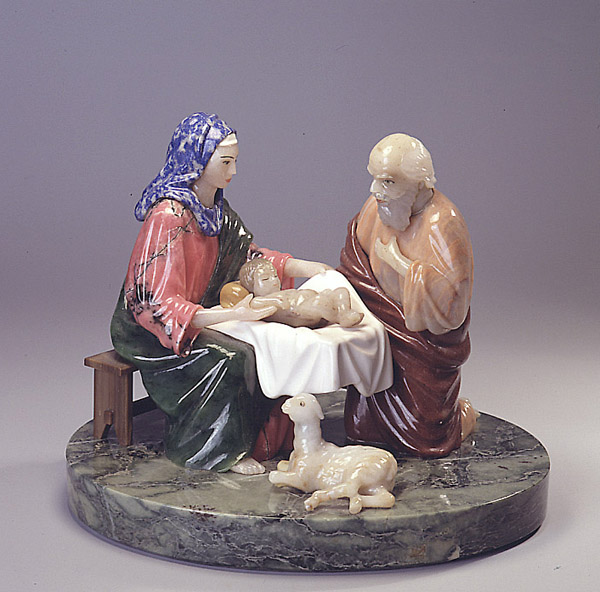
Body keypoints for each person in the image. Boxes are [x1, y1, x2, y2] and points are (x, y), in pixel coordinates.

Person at [111, 112, 328, 474]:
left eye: (235, 161)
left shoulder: (217, 213)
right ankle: (217, 450)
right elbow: (154, 303)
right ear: (196, 160)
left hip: (202, 313)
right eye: (226, 162)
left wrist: (304, 267)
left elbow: (248, 257)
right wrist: (233, 315)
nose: (234, 171)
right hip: (154, 331)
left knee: (269, 345)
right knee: (233, 358)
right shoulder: (169, 217)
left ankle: (263, 439)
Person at [338, 133, 477, 457]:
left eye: (388, 182)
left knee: (427, 437)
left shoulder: (443, 223)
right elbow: (353, 261)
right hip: (376, 333)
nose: (375, 190)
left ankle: (463, 416)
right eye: (374, 178)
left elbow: (453, 300)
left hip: (420, 344)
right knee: (359, 428)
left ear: (419, 185)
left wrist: (399, 263)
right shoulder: (377, 207)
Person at [223, 258, 363, 328]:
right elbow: (253, 303)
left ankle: (344, 312)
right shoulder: (259, 301)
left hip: (311, 302)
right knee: (320, 303)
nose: (274, 280)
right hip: (302, 312)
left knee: (341, 291)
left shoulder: (281, 291)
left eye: (275, 275)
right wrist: (275, 301)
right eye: (265, 279)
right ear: (252, 288)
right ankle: (340, 317)